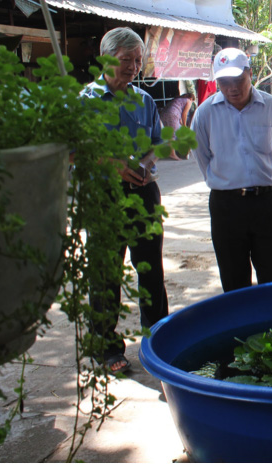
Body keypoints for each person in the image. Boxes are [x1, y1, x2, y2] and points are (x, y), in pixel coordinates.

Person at [81, 27, 168, 374]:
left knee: (151, 272)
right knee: (104, 275)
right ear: (105, 59)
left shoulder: (143, 100)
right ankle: (105, 347)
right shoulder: (85, 100)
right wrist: (112, 165)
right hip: (104, 197)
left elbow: (156, 145)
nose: (133, 67)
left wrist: (145, 165)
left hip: (143, 193)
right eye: (126, 60)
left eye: (137, 60)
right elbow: (73, 152)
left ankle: (159, 341)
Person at [191, 48, 272, 292]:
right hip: (226, 207)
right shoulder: (205, 114)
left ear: (250, 74)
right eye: (224, 82)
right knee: (234, 280)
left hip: (268, 203)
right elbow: (203, 157)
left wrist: (259, 179)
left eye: (238, 80)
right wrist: (228, 183)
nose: (232, 88)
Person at [160, 90, 194, 160]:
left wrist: (181, 121)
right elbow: (184, 114)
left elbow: (179, 112)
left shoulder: (178, 99)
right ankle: (172, 154)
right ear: (191, 98)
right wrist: (185, 126)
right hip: (173, 114)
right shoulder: (189, 101)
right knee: (173, 134)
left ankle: (170, 151)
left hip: (164, 114)